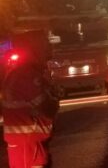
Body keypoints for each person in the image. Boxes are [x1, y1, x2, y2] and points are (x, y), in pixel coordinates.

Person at [1, 30, 59, 168]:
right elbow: (48, 108)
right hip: (28, 143)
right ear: (34, 48)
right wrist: (52, 92)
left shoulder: (22, 73)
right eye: (44, 45)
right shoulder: (26, 76)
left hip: (29, 141)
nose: (48, 49)